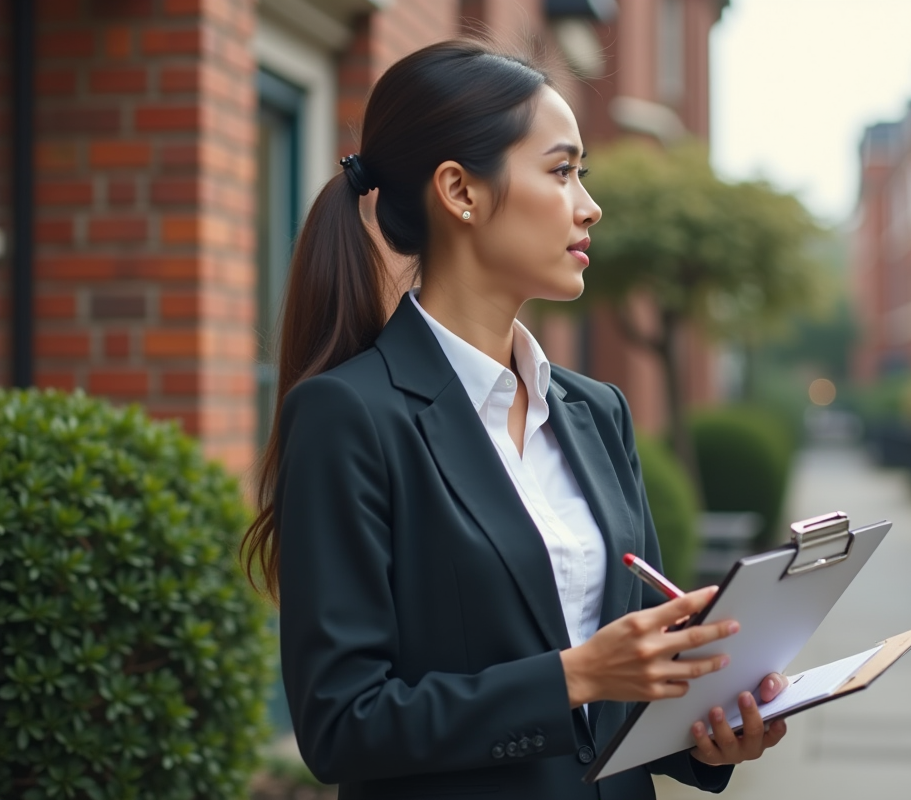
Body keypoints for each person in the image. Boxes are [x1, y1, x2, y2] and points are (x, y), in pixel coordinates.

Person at [241, 40, 788, 800]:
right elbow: (342, 724)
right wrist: (574, 676)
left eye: (581, 175)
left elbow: (624, 703)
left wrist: (711, 733)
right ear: (460, 191)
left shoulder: (598, 412)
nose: (589, 205)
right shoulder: (349, 417)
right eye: (562, 172)